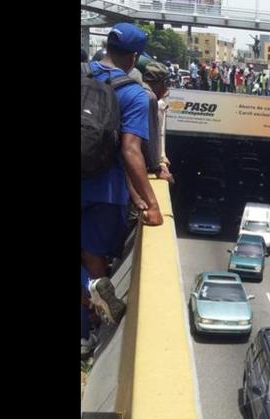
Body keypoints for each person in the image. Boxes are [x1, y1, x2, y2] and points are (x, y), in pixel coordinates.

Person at [82, 23, 163, 335]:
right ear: (135, 56)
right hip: (107, 190)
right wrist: (151, 204)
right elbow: (131, 150)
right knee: (93, 256)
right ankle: (91, 327)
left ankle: (86, 322)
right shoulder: (134, 94)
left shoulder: (82, 74)